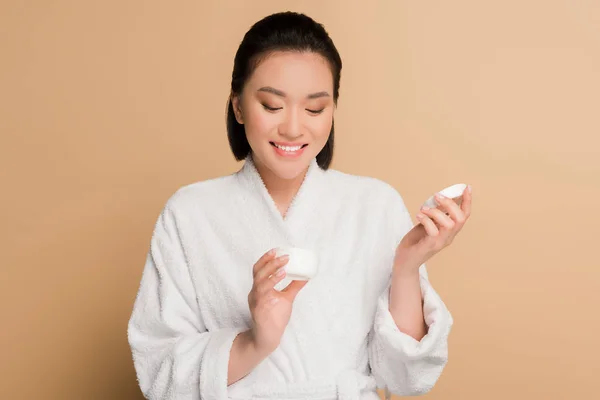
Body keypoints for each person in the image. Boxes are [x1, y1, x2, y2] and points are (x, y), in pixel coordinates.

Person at [127, 11, 472, 400]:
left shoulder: (374, 205)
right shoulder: (189, 214)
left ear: (333, 110)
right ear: (238, 107)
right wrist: (254, 342)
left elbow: (406, 379)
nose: (293, 128)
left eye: (314, 109)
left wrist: (407, 268)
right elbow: (160, 371)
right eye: (272, 105)